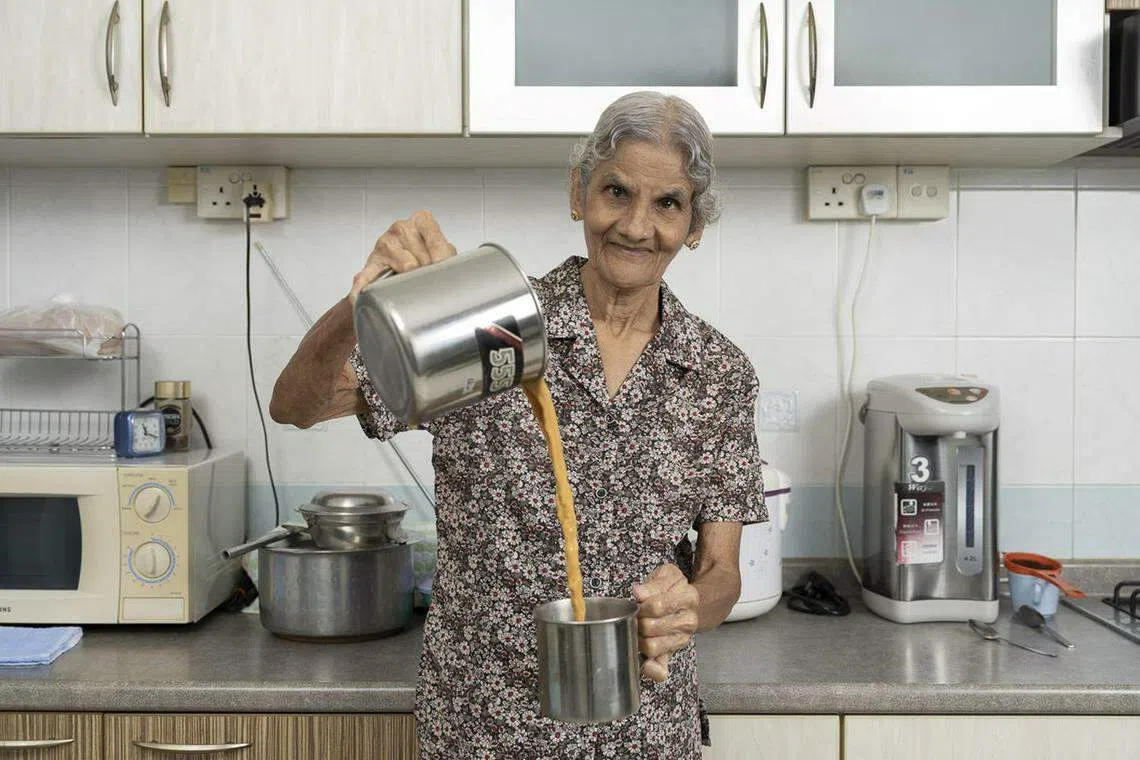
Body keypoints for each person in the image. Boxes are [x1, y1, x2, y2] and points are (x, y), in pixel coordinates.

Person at [270, 91, 767, 759]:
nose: (635, 225)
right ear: (577, 191)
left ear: (695, 223)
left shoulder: (716, 372)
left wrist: (687, 610)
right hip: (481, 727)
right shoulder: (489, 325)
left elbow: (721, 571)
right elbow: (298, 405)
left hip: (643, 731)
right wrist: (361, 303)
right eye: (615, 191)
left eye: (668, 204)